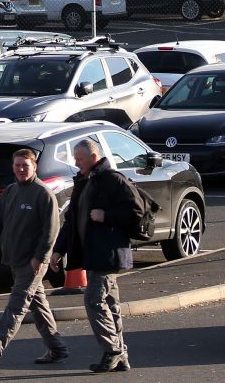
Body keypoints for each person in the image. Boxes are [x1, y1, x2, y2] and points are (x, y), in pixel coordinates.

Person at [50, 138, 143, 373]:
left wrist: (106, 216)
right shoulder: (83, 181)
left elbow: (137, 211)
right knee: (110, 304)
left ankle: (113, 351)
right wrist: (59, 249)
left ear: (93, 157)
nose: (75, 162)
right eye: (75, 157)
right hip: (92, 254)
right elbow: (72, 221)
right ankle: (120, 354)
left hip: (108, 253)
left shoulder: (113, 180)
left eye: (79, 158)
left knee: (93, 300)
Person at [0, 148, 67, 367]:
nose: (21, 169)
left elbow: (51, 229)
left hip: (32, 262)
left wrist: (40, 257)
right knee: (38, 307)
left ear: (34, 166)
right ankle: (57, 348)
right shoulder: (11, 191)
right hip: (14, 258)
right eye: (17, 165)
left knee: (16, 305)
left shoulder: (43, 194)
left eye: (25, 165)